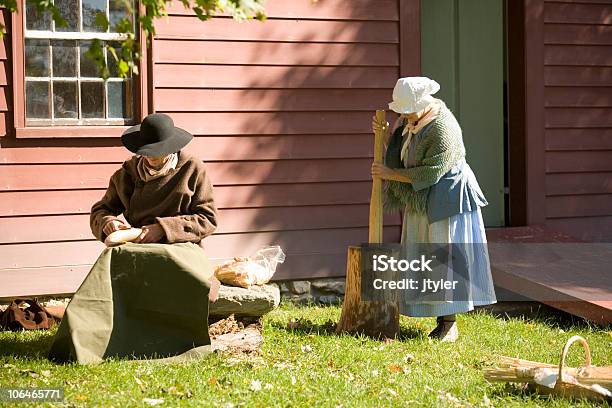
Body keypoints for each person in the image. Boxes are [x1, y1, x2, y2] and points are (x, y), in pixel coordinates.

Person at [48, 113, 220, 363]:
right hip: (138, 246)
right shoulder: (128, 174)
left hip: (181, 246)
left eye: (157, 152)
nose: (151, 158)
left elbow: (208, 219)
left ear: (171, 147)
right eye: (147, 152)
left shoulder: (193, 169)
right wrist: (108, 223)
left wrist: (162, 229)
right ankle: (98, 338)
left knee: (177, 273)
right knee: (111, 260)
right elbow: (101, 209)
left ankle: (173, 340)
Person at [371, 77, 497, 342]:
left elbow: (430, 173)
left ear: (423, 103)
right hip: (422, 198)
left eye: (407, 110)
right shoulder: (409, 121)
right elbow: (403, 155)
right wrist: (382, 137)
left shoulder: (443, 128)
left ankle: (448, 324)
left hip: (447, 199)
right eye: (401, 111)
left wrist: (389, 173)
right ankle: (434, 314)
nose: (403, 115)